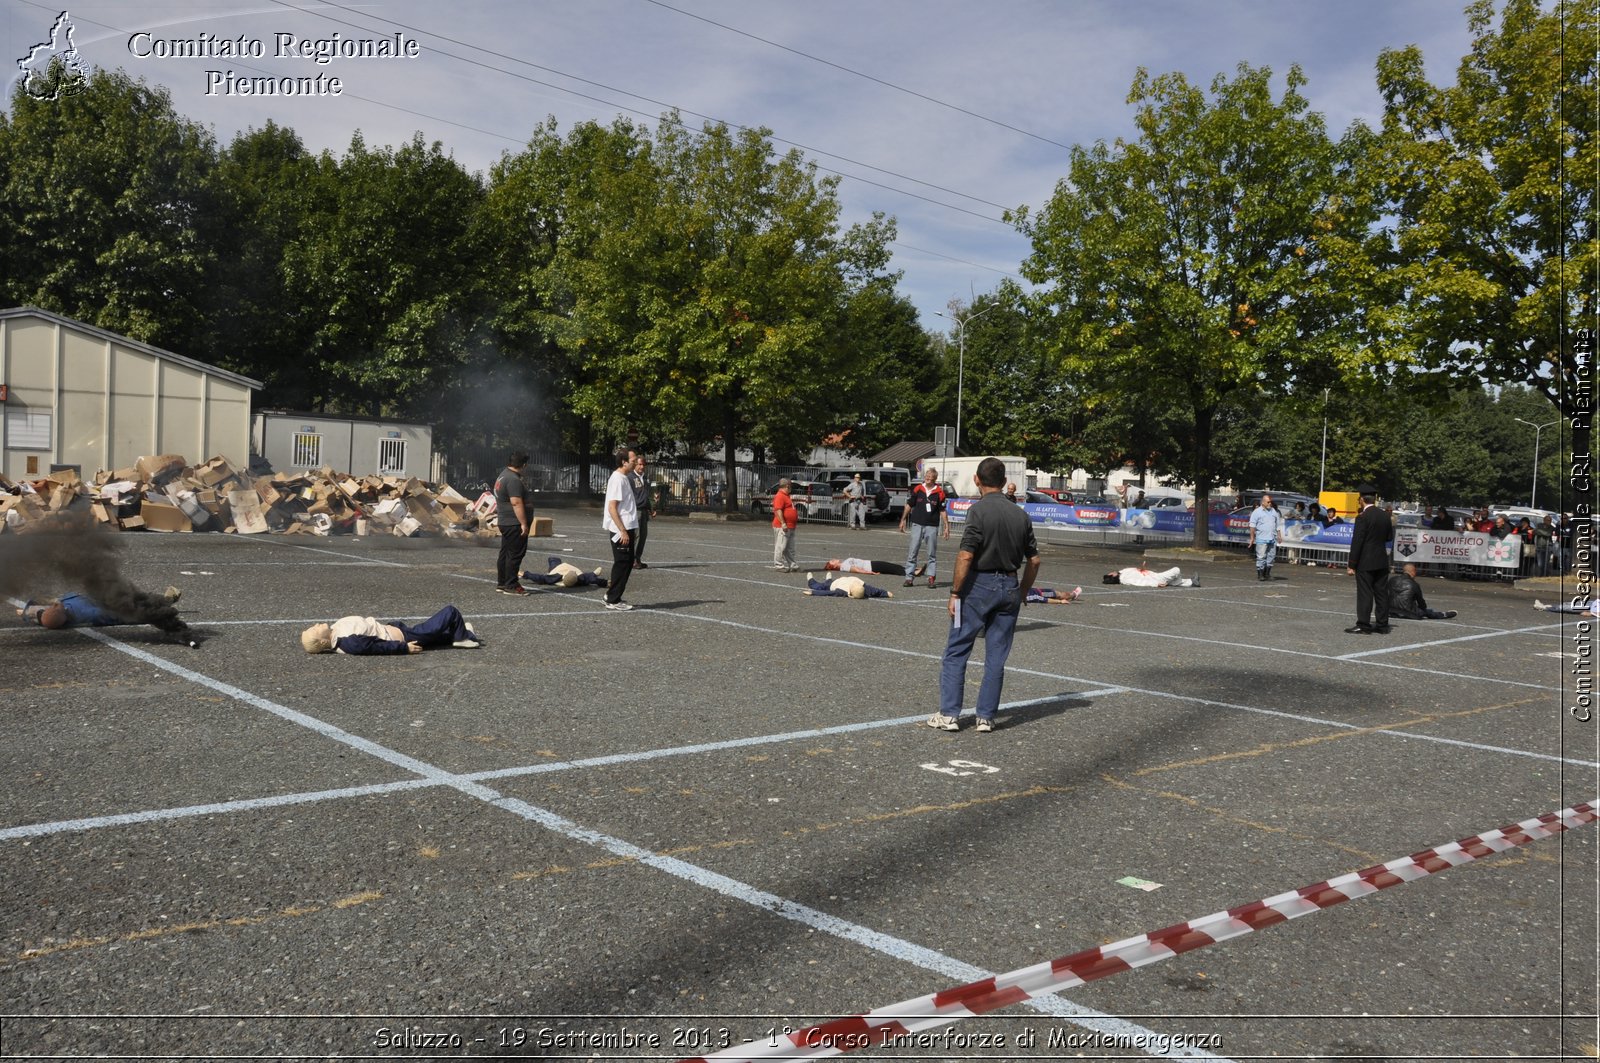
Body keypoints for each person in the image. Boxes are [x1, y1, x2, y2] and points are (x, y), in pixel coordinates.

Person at [929, 456, 1040, 735]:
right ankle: (986, 717)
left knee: (957, 649)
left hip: (979, 586)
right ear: (1003, 483)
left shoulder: (977, 511)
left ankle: (949, 714)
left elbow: (966, 554)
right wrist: (1023, 590)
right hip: (1010, 587)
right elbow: (1035, 561)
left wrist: (955, 592)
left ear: (977, 480)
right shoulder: (1021, 514)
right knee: (996, 657)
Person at [300, 605, 481, 655]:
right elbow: (375, 647)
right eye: (314, 630)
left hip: (394, 629)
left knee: (434, 637)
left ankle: (462, 633)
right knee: (450, 612)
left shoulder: (335, 630)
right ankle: (462, 636)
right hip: (403, 637)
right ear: (323, 641)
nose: (315, 625)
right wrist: (404, 648)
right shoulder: (348, 642)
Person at [18, 585, 187, 636]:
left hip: (92, 599)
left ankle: (162, 601)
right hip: (102, 608)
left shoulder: (57, 608)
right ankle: (164, 602)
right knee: (132, 606)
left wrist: (26, 612)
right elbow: (52, 619)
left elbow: (39, 613)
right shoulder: (88, 614)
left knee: (127, 597)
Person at [1345, 485, 1394, 635]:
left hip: (1366, 560)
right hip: (1381, 559)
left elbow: (1357, 541)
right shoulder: (1385, 516)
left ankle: (1364, 625)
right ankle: (1382, 624)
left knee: (1365, 593)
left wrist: (1351, 564)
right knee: (1381, 593)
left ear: (1361, 500)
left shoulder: (1362, 517)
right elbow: (1388, 537)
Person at [899, 466, 950, 589]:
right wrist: (903, 519)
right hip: (917, 524)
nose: (927, 478)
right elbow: (909, 504)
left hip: (932, 526)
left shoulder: (940, 493)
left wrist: (946, 526)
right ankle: (909, 577)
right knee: (913, 551)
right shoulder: (918, 489)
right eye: (926, 476)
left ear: (935, 479)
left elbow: (942, 510)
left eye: (930, 477)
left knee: (931, 553)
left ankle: (931, 578)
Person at [601, 449, 639, 611]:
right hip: (620, 529)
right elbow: (612, 507)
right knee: (622, 563)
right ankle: (613, 599)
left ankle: (613, 594)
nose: (635, 463)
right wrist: (622, 530)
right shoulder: (617, 479)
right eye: (633, 460)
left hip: (627, 527)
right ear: (624, 461)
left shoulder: (624, 478)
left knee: (627, 562)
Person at [493, 452, 532, 595]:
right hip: (513, 522)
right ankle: (511, 585)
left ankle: (502, 582)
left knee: (505, 553)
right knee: (515, 554)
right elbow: (516, 502)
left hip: (505, 521)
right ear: (524, 465)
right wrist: (523, 523)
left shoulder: (503, 475)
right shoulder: (513, 479)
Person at [1386, 563, 1458, 620]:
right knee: (1427, 611)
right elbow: (1422, 604)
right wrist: (1423, 610)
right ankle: (1444, 614)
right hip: (1409, 613)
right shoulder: (1414, 584)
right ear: (1413, 572)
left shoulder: (1392, 580)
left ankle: (1441, 614)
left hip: (1391, 611)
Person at [1247, 492, 1283, 581]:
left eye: (1270, 502)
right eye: (1268, 502)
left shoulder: (1273, 511)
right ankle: (1260, 574)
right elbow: (1252, 526)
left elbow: (1277, 524)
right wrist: (1252, 538)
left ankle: (1267, 573)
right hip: (1261, 538)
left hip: (1272, 538)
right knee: (1261, 557)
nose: (1270, 503)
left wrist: (1279, 535)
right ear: (1263, 502)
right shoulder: (1256, 512)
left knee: (1271, 556)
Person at [630, 453, 654, 569]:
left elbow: (645, 495)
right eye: (639, 464)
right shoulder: (630, 477)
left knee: (643, 536)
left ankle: (637, 558)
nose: (641, 467)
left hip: (644, 510)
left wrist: (650, 508)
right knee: (637, 535)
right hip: (636, 510)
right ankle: (633, 560)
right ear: (635, 465)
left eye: (643, 465)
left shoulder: (645, 478)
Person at [770, 478, 800, 572]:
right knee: (781, 546)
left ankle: (793, 565)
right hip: (782, 526)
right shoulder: (780, 496)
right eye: (790, 486)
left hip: (790, 526)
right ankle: (778, 565)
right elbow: (778, 510)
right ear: (787, 486)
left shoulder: (786, 496)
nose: (791, 488)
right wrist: (783, 523)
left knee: (789, 547)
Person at [522, 556, 607, 588]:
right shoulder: (580, 579)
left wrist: (525, 574)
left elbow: (540, 578)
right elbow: (591, 578)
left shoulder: (555, 577)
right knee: (589, 577)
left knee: (554, 562)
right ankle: (553, 559)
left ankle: (553, 559)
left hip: (558, 569)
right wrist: (605, 582)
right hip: (561, 569)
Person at [802, 573, 894, 599]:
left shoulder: (863, 586)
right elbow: (828, 592)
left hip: (839, 581)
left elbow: (876, 591)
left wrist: (886, 593)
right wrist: (813, 592)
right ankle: (811, 579)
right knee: (817, 586)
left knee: (827, 582)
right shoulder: (842, 591)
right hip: (832, 585)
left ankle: (828, 578)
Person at [1103, 563, 1199, 588]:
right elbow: (1140, 582)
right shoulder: (1125, 579)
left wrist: (1141, 568)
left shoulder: (1122, 572)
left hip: (1155, 575)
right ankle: (1178, 582)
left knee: (1173, 580)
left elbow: (1135, 572)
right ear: (1112, 575)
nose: (1112, 571)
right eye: (1110, 573)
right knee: (1176, 569)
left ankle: (1191, 582)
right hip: (1157, 578)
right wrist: (1156, 584)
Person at [822, 558, 906, 575]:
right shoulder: (843, 566)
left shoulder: (843, 564)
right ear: (834, 566)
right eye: (832, 561)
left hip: (871, 564)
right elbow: (857, 570)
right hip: (871, 566)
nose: (833, 559)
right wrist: (870, 572)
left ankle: (911, 570)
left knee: (892, 567)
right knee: (892, 568)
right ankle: (911, 572)